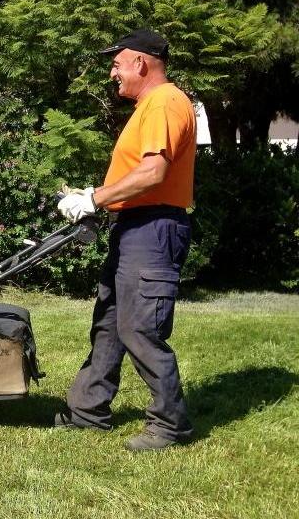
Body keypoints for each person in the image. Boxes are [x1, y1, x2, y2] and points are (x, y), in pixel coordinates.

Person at [55, 29, 196, 452]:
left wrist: (95, 198)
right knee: (109, 322)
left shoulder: (165, 102)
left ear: (140, 63)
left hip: (154, 229)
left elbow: (154, 173)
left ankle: (170, 425)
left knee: (139, 328)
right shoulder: (148, 107)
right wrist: (97, 200)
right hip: (134, 226)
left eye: (116, 64)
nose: (112, 73)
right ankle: (87, 411)